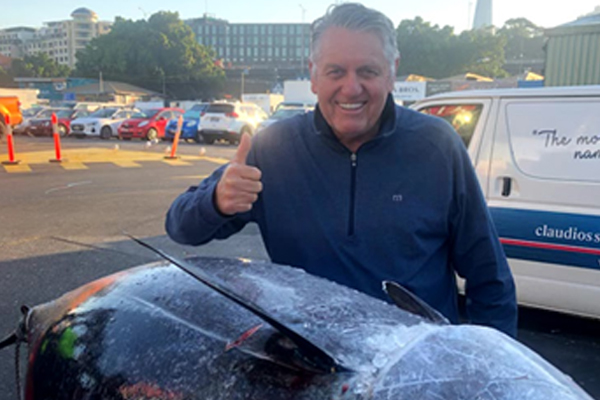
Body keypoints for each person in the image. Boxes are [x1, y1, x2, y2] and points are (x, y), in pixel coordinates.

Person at [166, 3, 517, 337]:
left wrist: (497, 374)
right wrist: (216, 201)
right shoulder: (273, 149)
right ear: (313, 75)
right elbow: (181, 227)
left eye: (368, 71)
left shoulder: (437, 146)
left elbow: (490, 278)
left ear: (392, 71)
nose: (351, 88)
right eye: (336, 71)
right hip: (312, 367)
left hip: (413, 370)